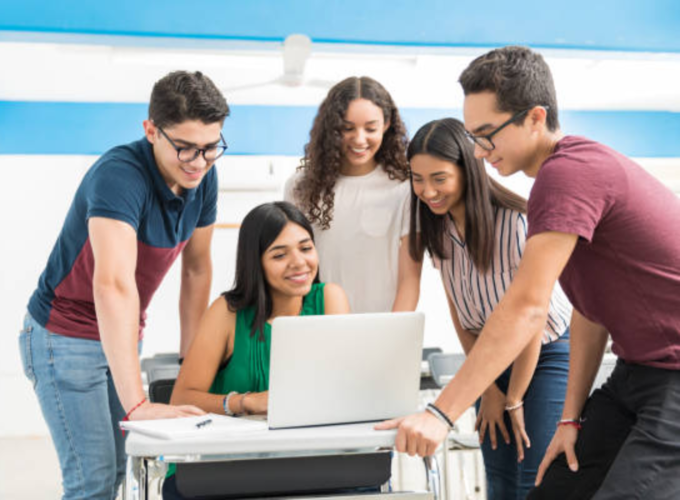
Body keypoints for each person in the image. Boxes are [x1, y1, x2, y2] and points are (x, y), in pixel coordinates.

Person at [378, 45, 680, 500]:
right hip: (637, 374)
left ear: (535, 118)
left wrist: (440, 414)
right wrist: (571, 419)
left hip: (673, 376)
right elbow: (590, 313)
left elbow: (525, 308)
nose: (479, 153)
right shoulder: (561, 184)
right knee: (553, 487)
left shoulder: (568, 174)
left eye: (487, 135)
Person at [19, 71, 230, 500]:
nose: (198, 161)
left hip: (120, 333)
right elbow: (113, 284)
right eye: (185, 148)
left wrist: (191, 363)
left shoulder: (203, 176)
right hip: (65, 335)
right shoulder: (119, 176)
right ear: (151, 130)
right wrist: (137, 403)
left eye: (210, 148)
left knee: (120, 468)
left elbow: (196, 270)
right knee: (93, 480)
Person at [406, 117, 571, 499]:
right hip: (488, 356)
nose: (428, 190)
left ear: (469, 169)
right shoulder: (437, 228)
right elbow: (458, 308)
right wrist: (489, 389)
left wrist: (513, 397)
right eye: (417, 178)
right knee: (499, 480)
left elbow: (531, 318)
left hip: (544, 352)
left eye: (439, 178)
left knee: (533, 478)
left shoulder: (514, 223)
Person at [162, 201, 350, 499]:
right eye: (279, 254)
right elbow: (182, 399)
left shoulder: (329, 299)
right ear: (255, 262)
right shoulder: (227, 312)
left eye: (306, 248)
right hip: (228, 468)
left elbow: (341, 388)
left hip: (307, 462)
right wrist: (247, 403)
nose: (299, 262)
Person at [284, 76, 422, 313]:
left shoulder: (404, 187)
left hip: (381, 328)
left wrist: (394, 334)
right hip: (317, 324)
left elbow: (410, 279)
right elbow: (292, 268)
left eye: (370, 128)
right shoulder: (300, 186)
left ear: (387, 124)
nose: (359, 139)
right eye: (347, 128)